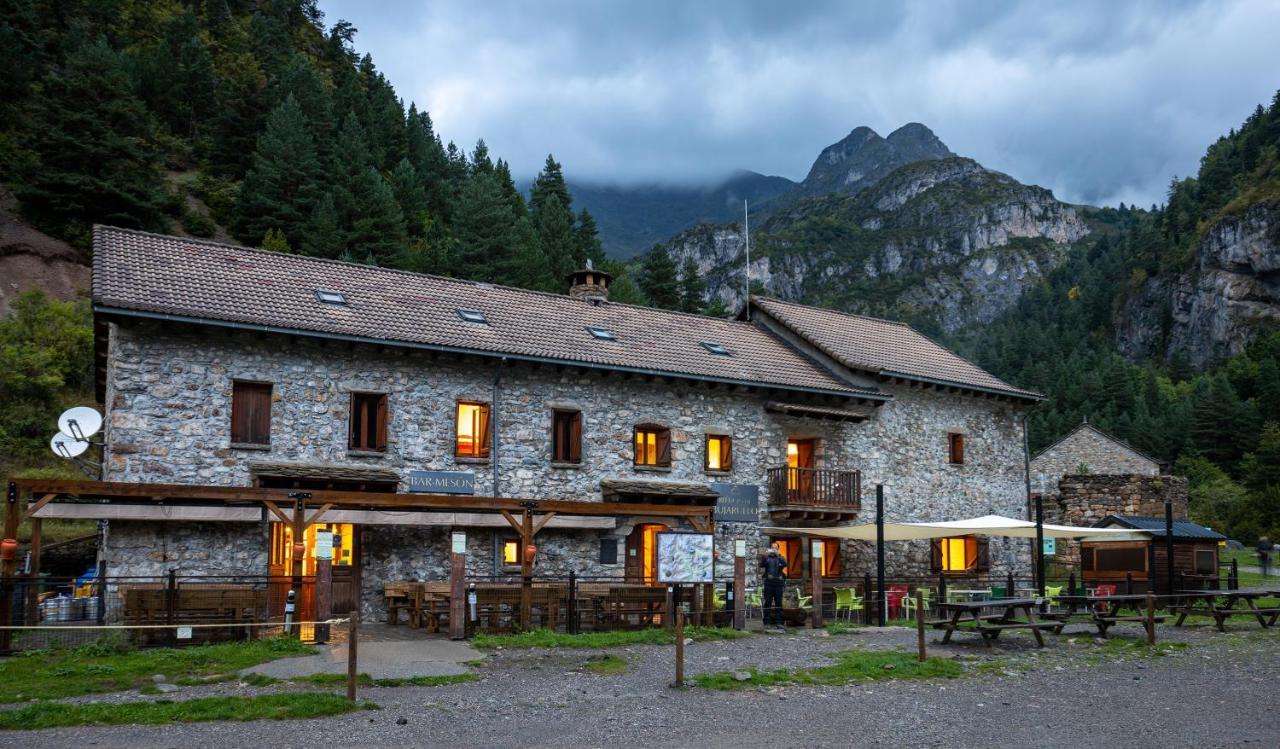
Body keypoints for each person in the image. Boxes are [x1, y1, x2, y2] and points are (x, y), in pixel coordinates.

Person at [759, 542, 788, 629]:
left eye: (776, 548)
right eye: (772, 547)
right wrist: (765, 555)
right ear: (770, 548)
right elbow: (761, 565)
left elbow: (785, 564)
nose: (774, 549)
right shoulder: (767, 558)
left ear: (778, 549)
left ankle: (779, 622)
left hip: (779, 583)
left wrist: (778, 555)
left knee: (778, 603)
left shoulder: (780, 558)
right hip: (768, 583)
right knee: (767, 603)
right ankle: (767, 622)